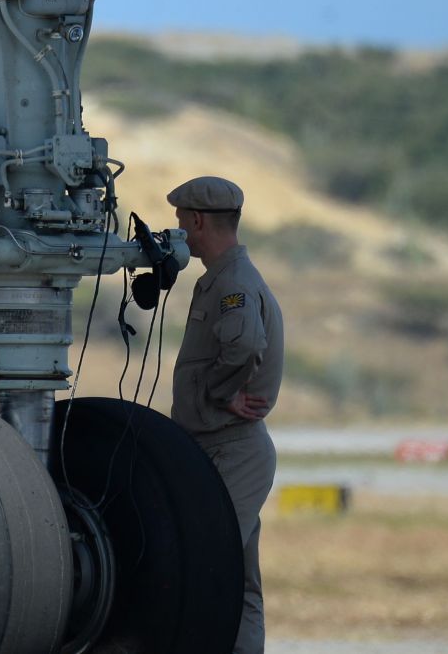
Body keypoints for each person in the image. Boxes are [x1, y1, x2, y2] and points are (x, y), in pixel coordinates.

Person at [166, 175, 283, 654]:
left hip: (232, 447)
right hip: (218, 445)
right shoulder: (222, 277)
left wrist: (220, 394)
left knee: (209, 563)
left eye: (182, 224)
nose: (182, 235)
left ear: (197, 221)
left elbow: (245, 344)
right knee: (238, 581)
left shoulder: (232, 283)